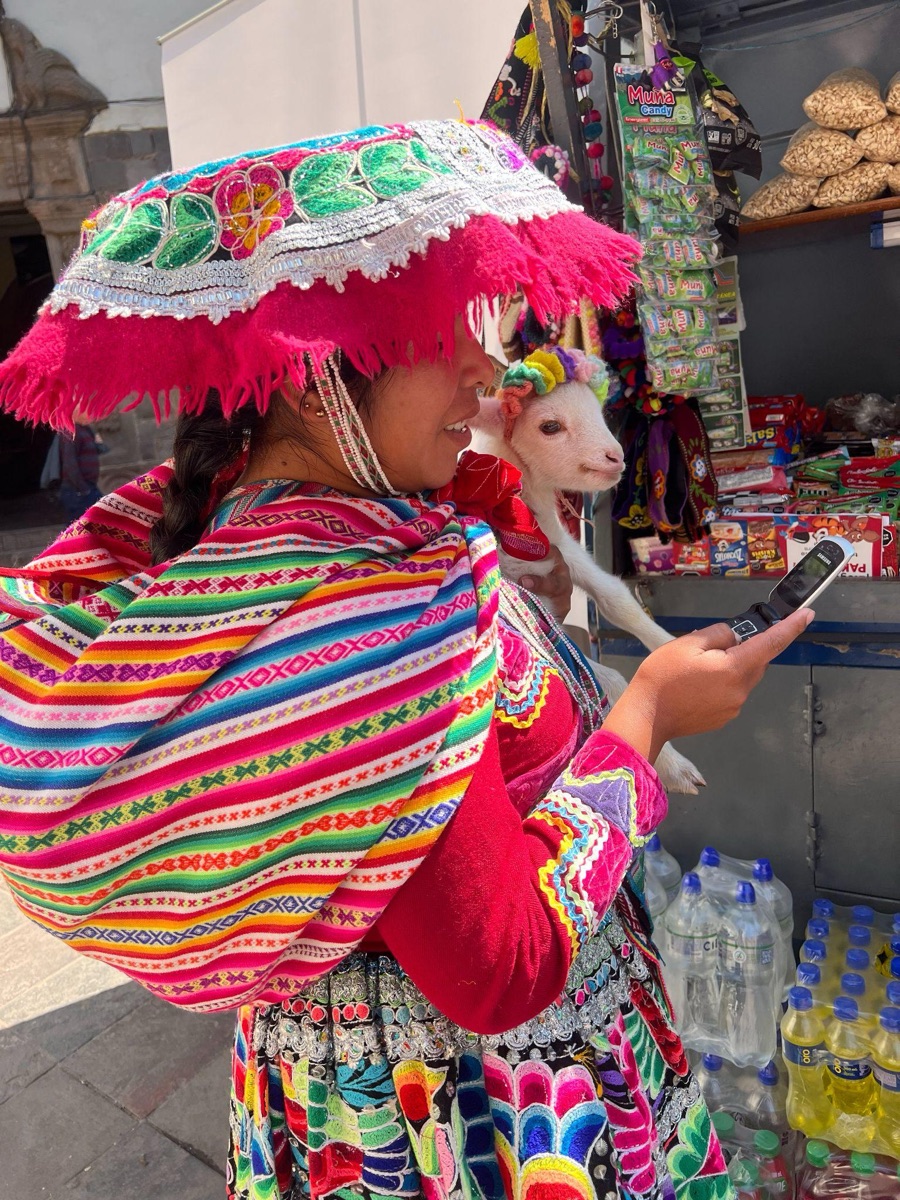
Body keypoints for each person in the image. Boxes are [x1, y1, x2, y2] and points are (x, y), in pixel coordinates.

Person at [0, 120, 809, 1200]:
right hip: (472, 1127)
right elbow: (500, 963)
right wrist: (647, 718)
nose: (485, 364)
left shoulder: (276, 536)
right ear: (317, 372)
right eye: (440, 328)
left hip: (347, 1109)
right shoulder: (356, 607)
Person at [58, 413, 102, 520]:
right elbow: (69, 462)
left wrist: (99, 442)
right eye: (85, 410)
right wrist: (83, 489)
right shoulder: (71, 431)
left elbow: (99, 450)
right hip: (77, 490)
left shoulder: (85, 430)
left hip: (88, 486)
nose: (90, 414)